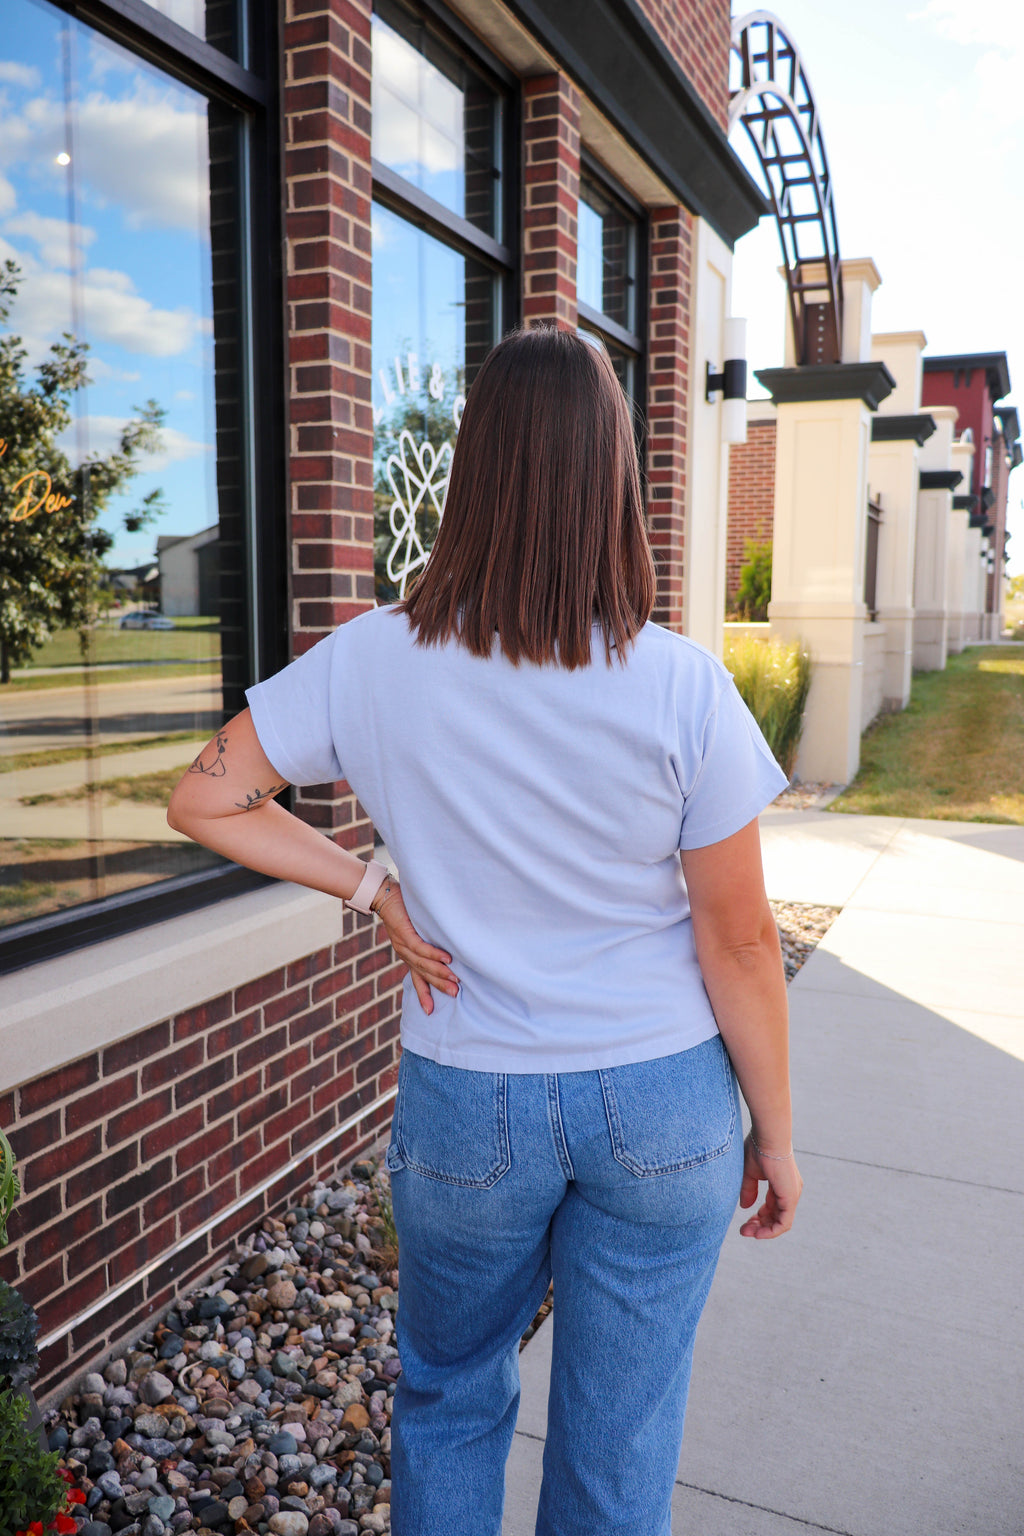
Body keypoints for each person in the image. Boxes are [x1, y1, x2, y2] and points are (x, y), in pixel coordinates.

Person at [167, 324, 803, 1536]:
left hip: (472, 1100)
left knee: (449, 1394)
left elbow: (205, 796)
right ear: (610, 475)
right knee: (618, 1434)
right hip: (663, 1107)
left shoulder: (371, 660)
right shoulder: (679, 684)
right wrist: (773, 1134)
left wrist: (368, 889)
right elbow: (738, 943)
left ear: (474, 472)